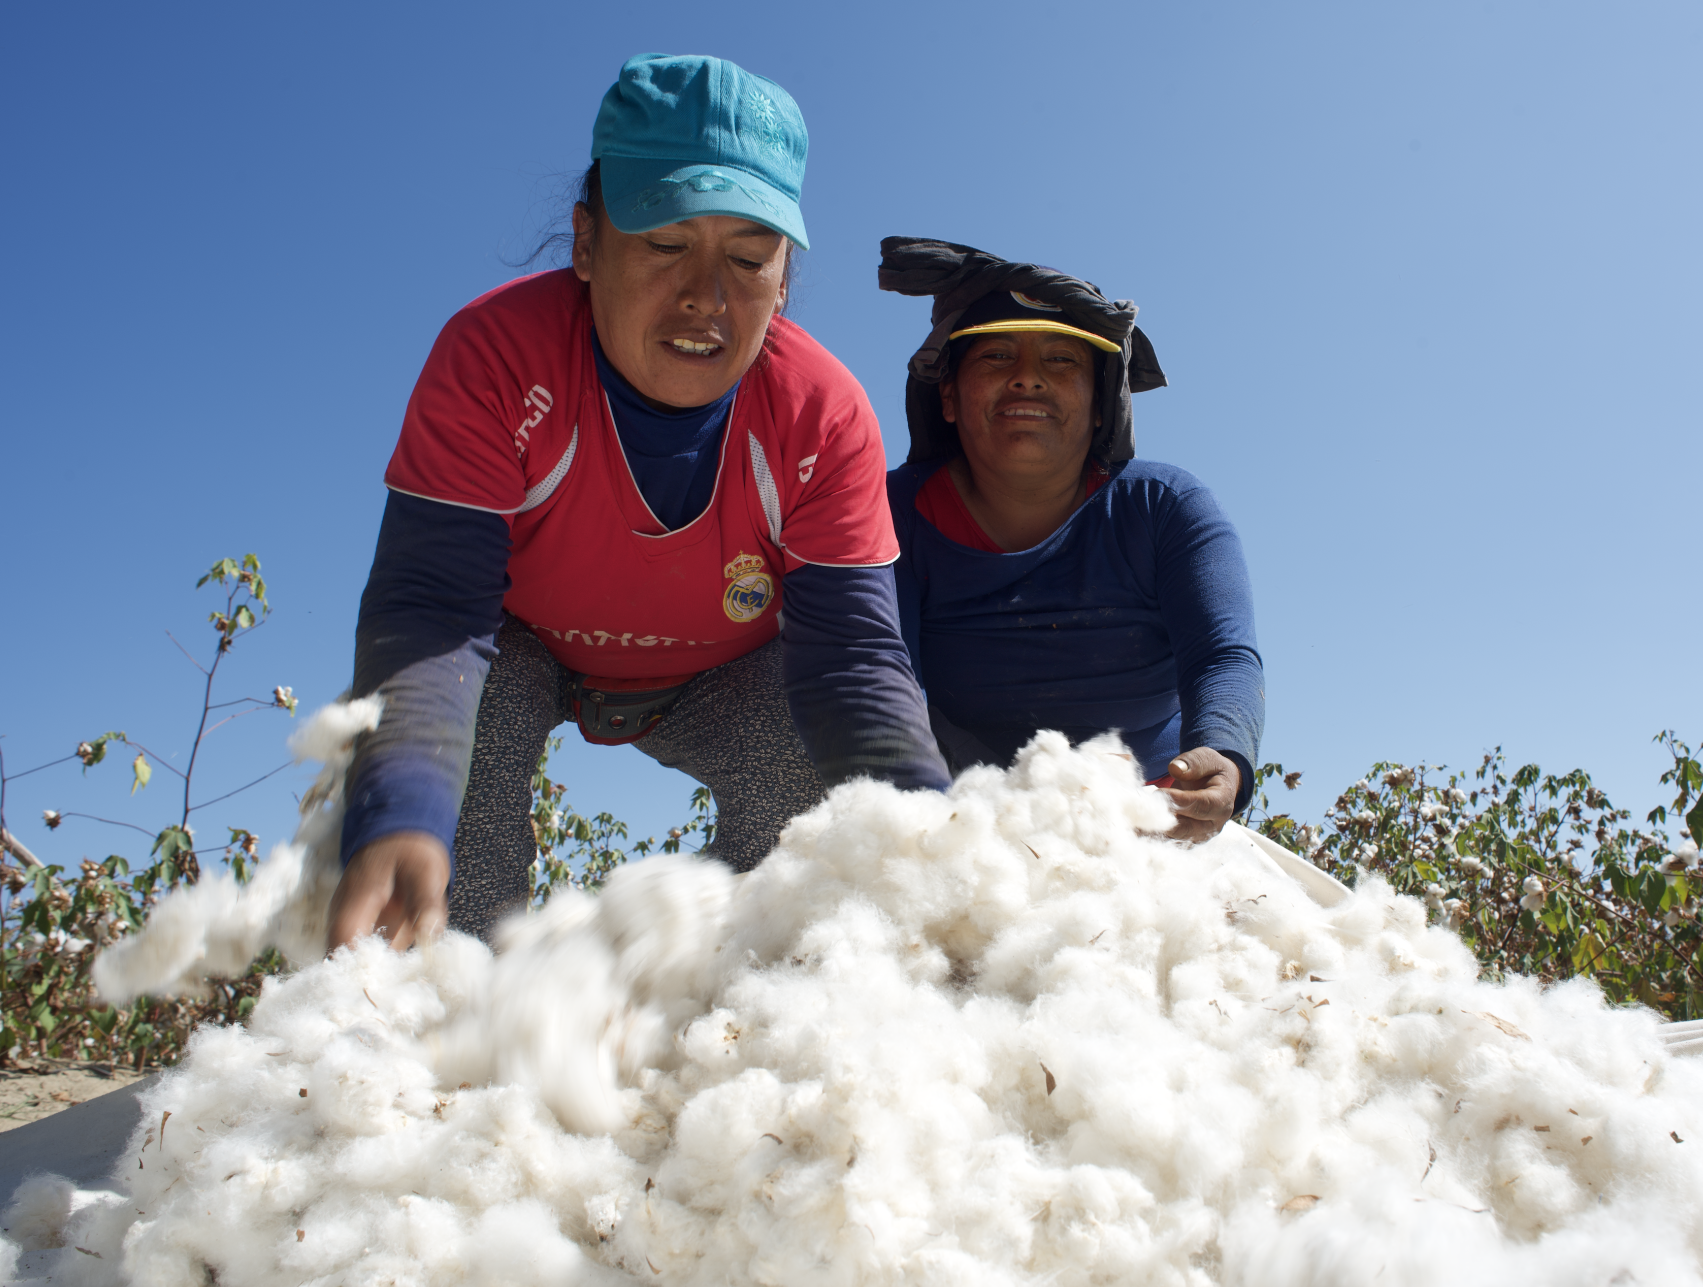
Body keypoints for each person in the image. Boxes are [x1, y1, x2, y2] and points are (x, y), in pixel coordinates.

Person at [329, 56, 948, 951]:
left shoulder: (823, 413)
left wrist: (931, 842)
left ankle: (728, 997)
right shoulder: (497, 360)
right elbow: (431, 610)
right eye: (664, 244)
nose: (707, 296)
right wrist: (400, 809)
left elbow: (854, 660)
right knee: (442, 791)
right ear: (587, 243)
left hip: (723, 678)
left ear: (784, 281)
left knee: (825, 791)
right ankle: (453, 999)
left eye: (748, 258)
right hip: (517, 648)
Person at [879, 238, 1263, 841]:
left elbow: (1223, 655)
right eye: (997, 357)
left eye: (1062, 361)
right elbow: (881, 678)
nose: (1027, 379)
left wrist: (1223, 753)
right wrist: (951, 827)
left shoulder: (1165, 507)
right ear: (948, 396)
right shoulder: (889, 514)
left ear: (1103, 403)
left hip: (1150, 822)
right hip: (961, 826)